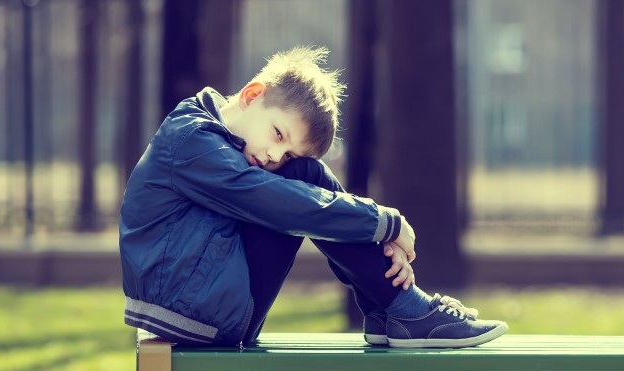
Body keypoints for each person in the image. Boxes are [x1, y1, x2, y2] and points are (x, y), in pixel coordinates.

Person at [119, 46, 507, 349]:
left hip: (209, 302)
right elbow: (269, 198)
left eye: (286, 152)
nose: (275, 155)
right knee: (299, 182)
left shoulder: (219, 140)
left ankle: (386, 310)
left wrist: (372, 228)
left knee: (301, 178)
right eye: (278, 134)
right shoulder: (191, 140)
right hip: (187, 309)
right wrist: (380, 222)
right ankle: (399, 307)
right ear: (253, 95)